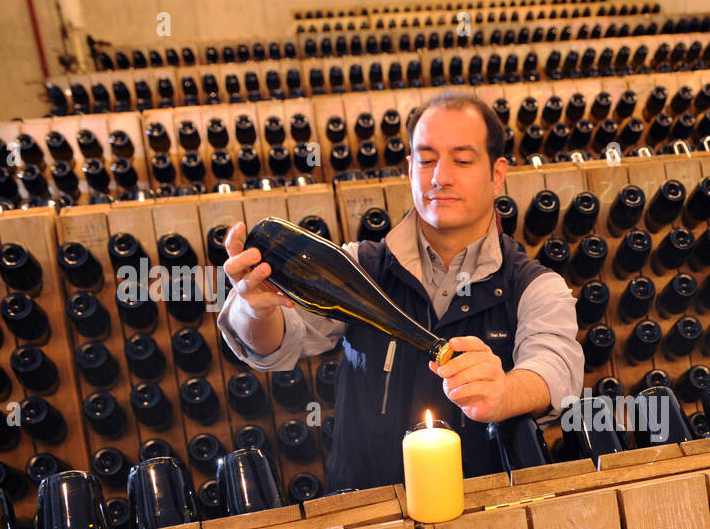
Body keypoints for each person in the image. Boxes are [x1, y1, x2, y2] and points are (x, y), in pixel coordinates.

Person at [217, 89, 583, 492]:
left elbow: (556, 369)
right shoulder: (360, 266)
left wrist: (505, 391)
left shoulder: (535, 286)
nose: (440, 177)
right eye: (426, 160)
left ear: (497, 173)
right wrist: (254, 310)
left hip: (486, 516)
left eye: (462, 160)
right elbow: (276, 345)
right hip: (367, 514)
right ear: (409, 168)